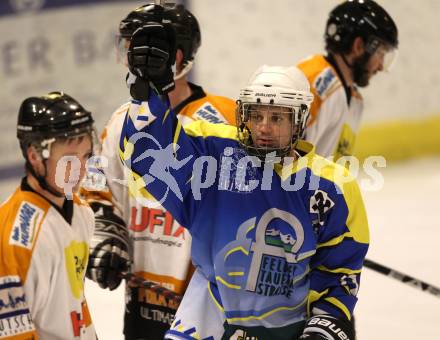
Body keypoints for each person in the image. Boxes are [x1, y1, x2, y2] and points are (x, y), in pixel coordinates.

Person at [118, 21, 369, 340]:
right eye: (256, 115)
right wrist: (148, 95)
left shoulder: (330, 185)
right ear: (242, 116)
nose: (264, 127)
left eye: (277, 117)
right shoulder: (215, 157)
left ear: (300, 121)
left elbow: (339, 270)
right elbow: (146, 155)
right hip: (207, 317)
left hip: (285, 326)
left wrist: (326, 323)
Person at [82, 3, 237, 339]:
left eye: (139, 50)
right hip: (142, 301)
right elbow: (97, 193)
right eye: (128, 50)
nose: (130, 60)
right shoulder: (123, 119)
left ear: (176, 58)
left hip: (207, 306)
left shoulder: (226, 120)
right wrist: (107, 241)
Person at [0, 92, 97, 339]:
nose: (80, 170)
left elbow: (74, 305)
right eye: (68, 160)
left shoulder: (81, 212)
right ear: (34, 156)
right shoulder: (15, 239)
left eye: (85, 157)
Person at [297, 0, 398, 160]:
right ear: (358, 46)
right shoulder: (312, 82)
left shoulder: (354, 100)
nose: (380, 67)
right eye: (380, 53)